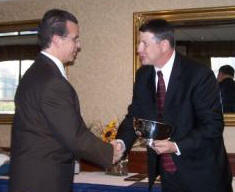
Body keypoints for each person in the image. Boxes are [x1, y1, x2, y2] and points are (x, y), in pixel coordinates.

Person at [9, 9, 123, 192]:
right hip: (43, 182)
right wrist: (109, 153)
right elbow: (74, 136)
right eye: (75, 39)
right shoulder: (52, 81)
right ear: (56, 39)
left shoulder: (36, 73)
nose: (78, 45)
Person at [116, 19, 233, 192]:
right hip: (168, 177)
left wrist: (176, 146)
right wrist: (121, 143)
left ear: (163, 45)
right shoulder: (143, 75)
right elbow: (135, 116)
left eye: (144, 44)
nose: (139, 49)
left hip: (204, 176)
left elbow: (213, 126)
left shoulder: (199, 74)